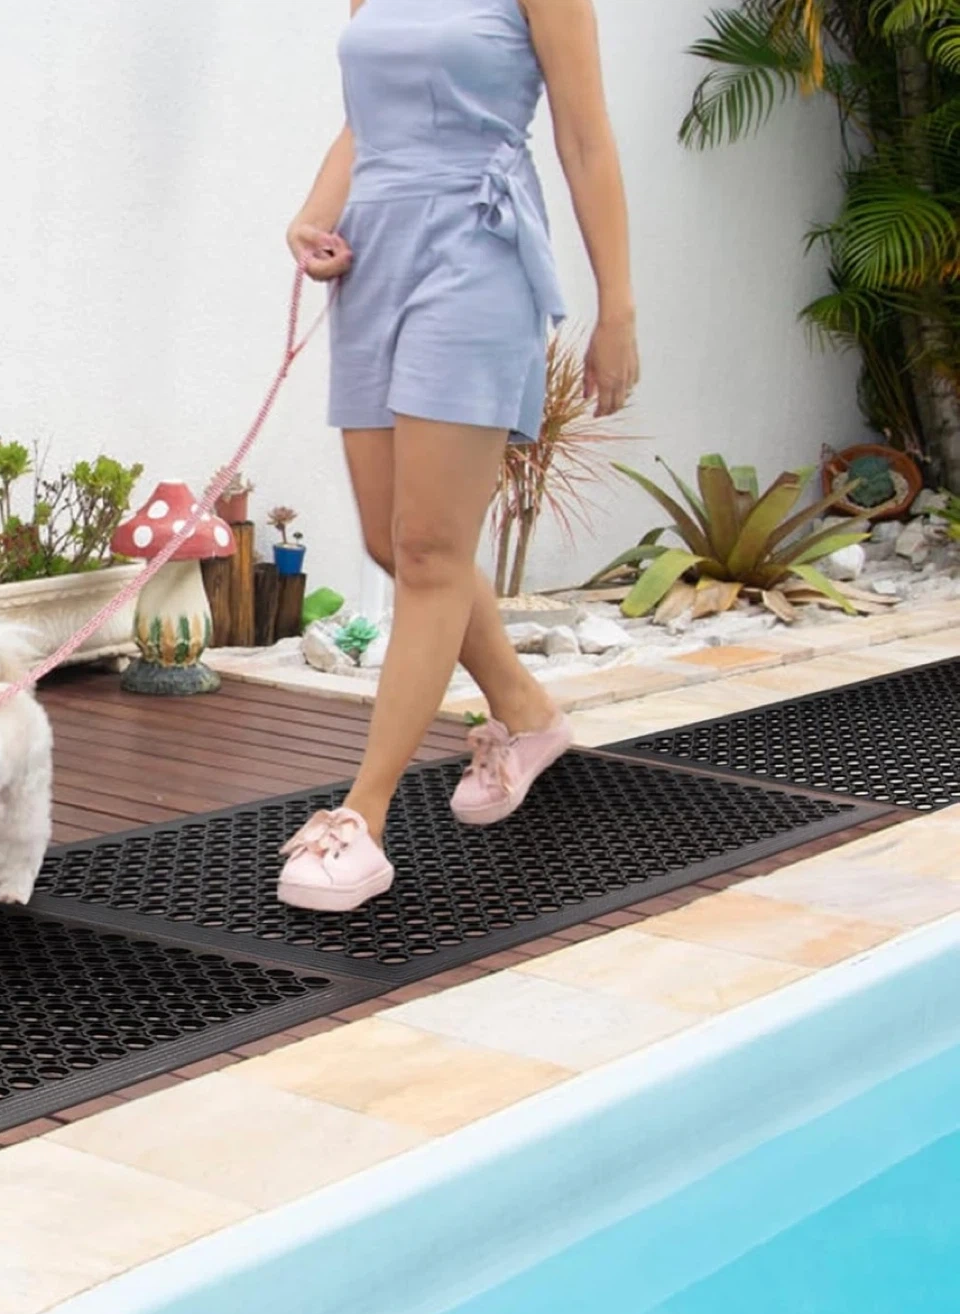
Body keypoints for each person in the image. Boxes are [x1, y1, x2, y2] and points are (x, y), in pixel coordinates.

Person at [277, 0, 639, 913]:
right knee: (390, 539)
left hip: (477, 250)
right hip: (374, 259)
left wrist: (618, 309)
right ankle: (527, 714)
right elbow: (366, 119)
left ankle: (362, 819)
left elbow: (585, 139)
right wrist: (315, 215)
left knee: (431, 549)